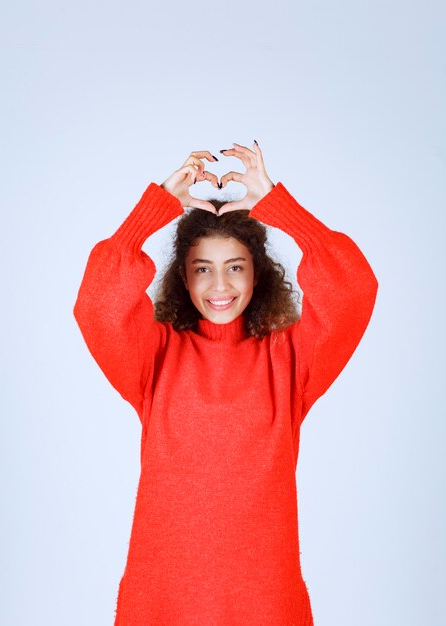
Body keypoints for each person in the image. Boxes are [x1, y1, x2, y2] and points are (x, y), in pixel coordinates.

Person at [73, 141, 378, 625]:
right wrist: (154, 210)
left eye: (235, 267)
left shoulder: (290, 361)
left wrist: (282, 207)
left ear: (258, 276)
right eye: (202, 270)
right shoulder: (155, 358)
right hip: (163, 593)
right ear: (183, 279)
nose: (220, 287)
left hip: (265, 595)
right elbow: (96, 306)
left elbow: (354, 289)